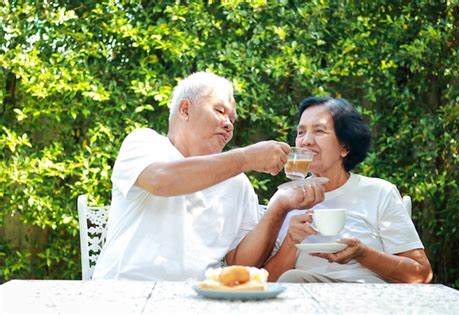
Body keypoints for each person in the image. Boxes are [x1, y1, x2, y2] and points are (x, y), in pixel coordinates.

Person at [92, 72, 324, 280]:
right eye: (220, 111)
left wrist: (279, 206)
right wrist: (248, 158)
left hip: (197, 301)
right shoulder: (144, 143)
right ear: (185, 110)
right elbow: (161, 181)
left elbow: (241, 263)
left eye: (232, 120)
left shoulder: (237, 182)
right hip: (125, 295)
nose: (229, 126)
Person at [264, 96, 432, 283]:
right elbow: (264, 282)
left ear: (345, 147)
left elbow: (421, 274)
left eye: (319, 131)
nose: (306, 141)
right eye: (301, 132)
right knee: (292, 278)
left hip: (369, 299)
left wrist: (363, 254)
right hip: (306, 299)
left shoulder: (379, 192)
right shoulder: (285, 199)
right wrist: (290, 242)